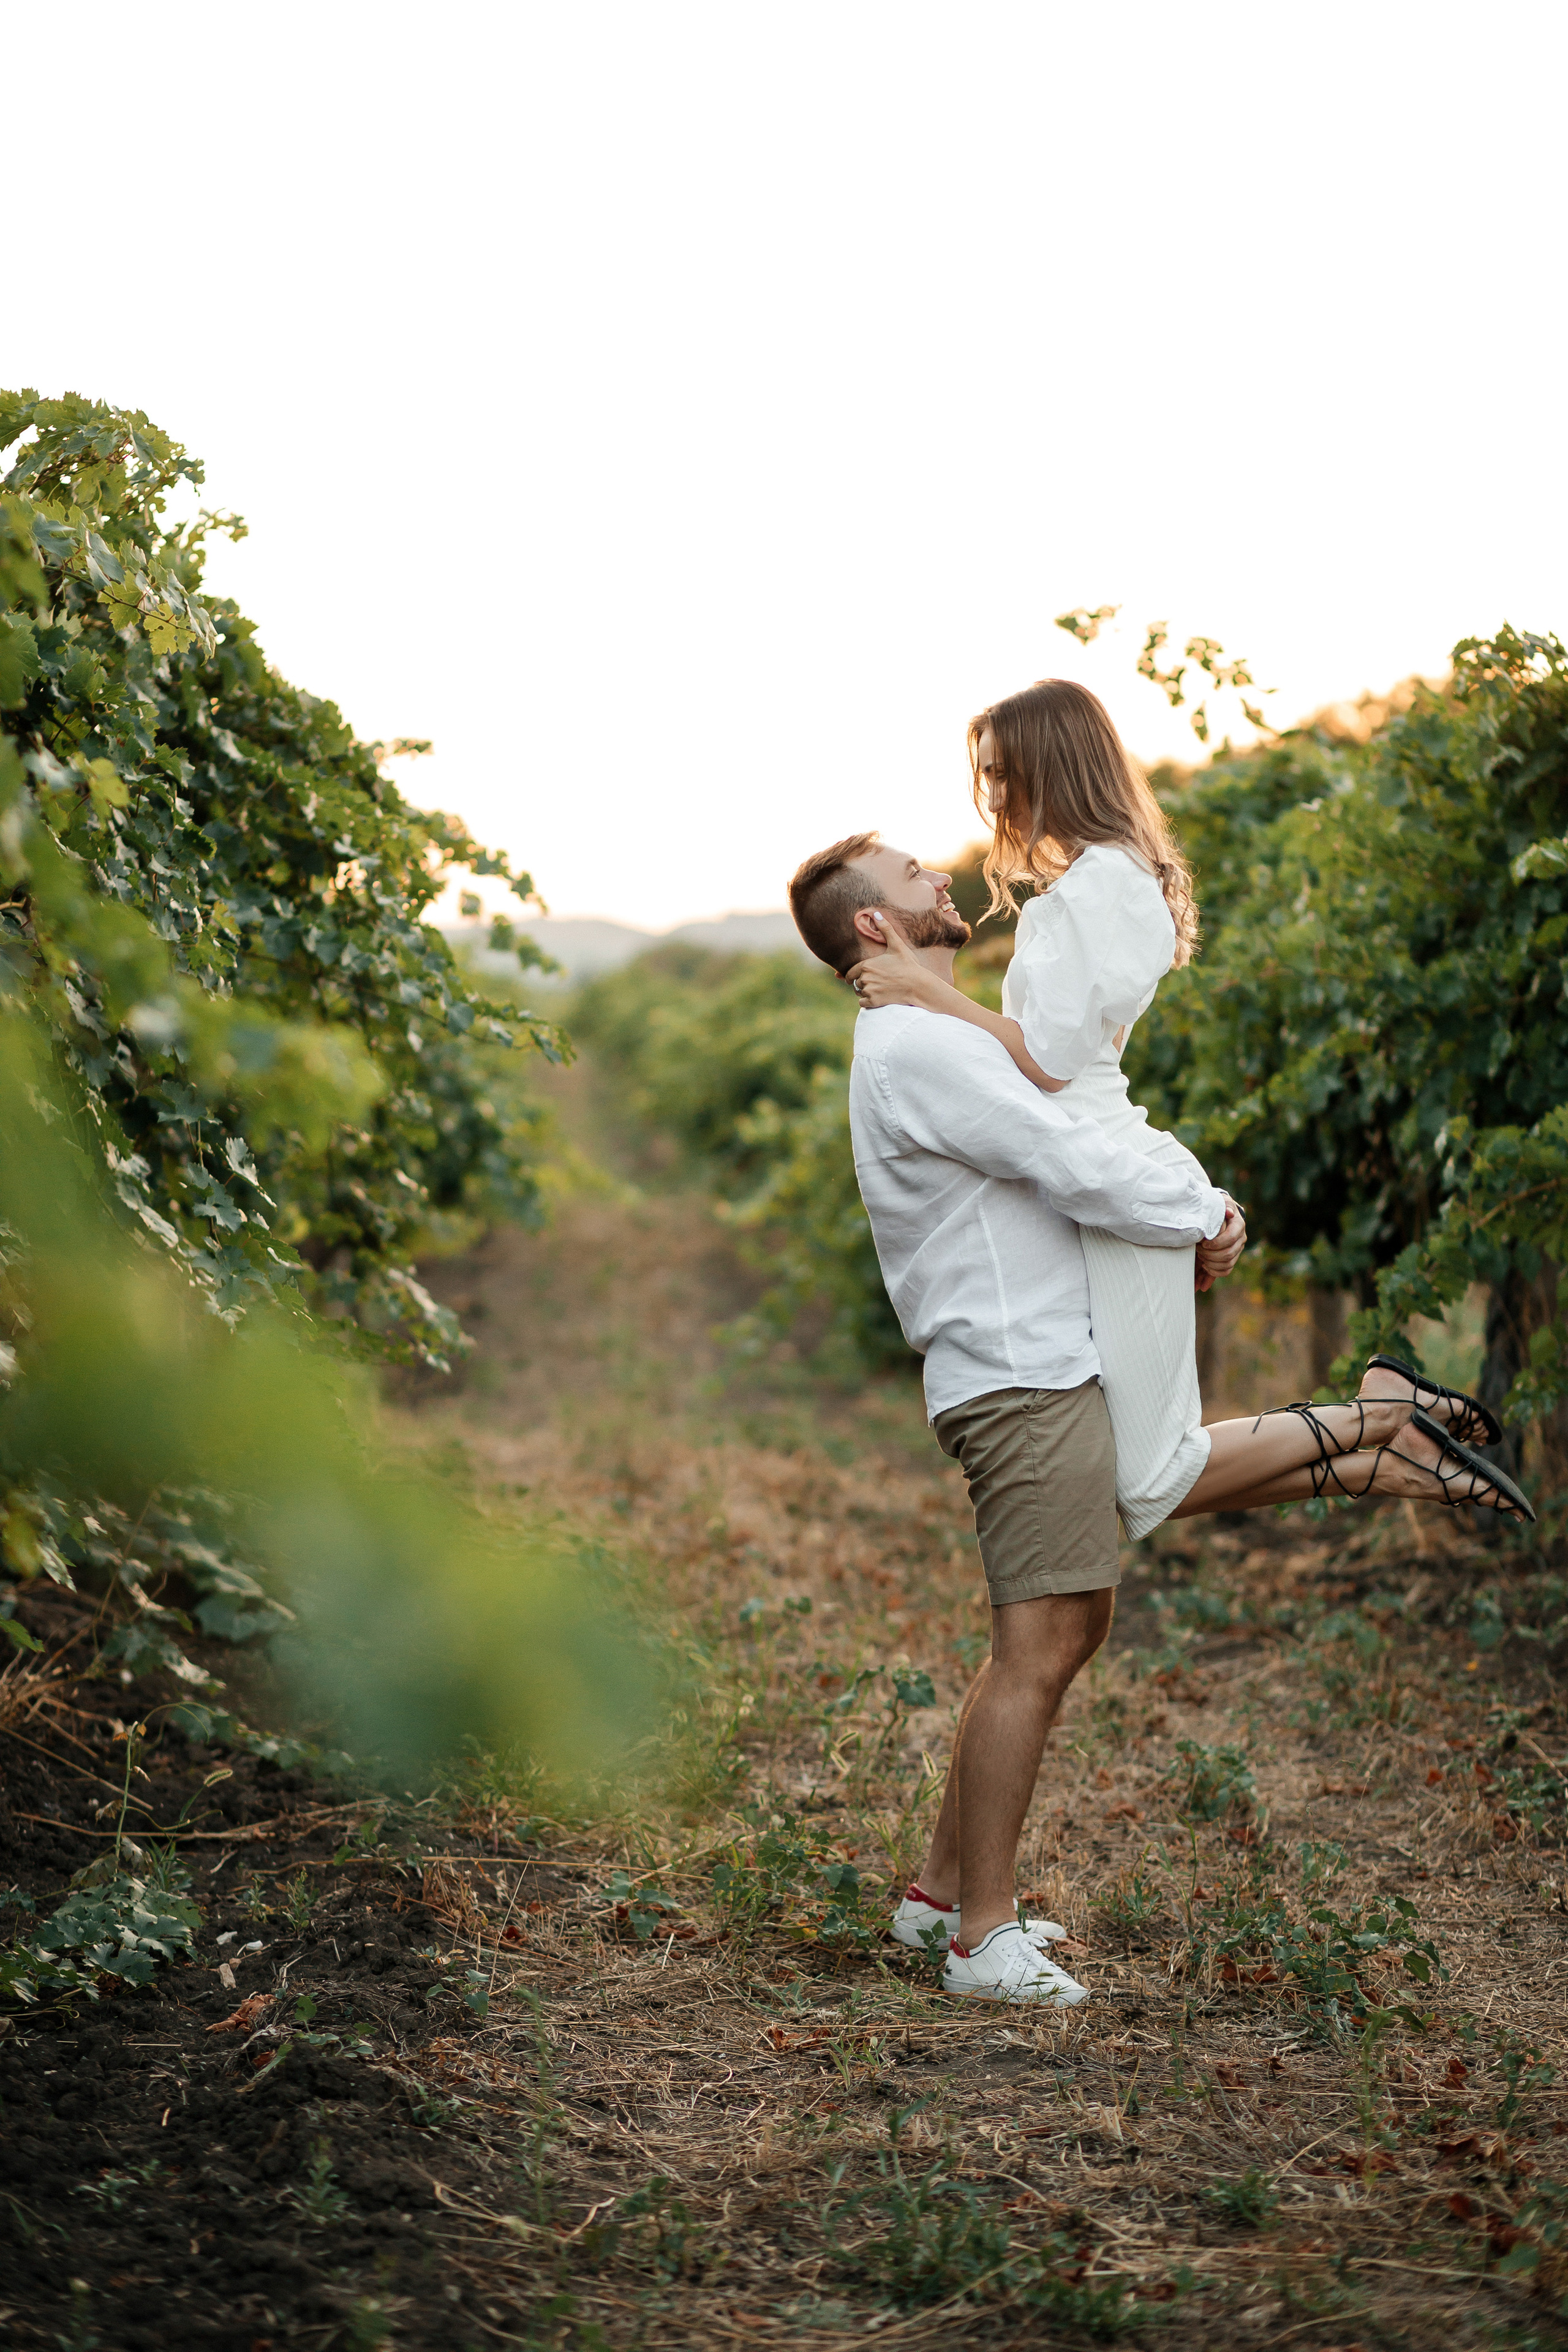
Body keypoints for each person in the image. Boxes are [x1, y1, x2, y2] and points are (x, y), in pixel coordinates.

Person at [786, 823, 1524, 2007]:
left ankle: (936, 1905)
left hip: (1038, 1360)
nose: (940, 877)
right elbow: (1066, 1154)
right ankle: (982, 1936)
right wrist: (1203, 1207)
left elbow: (1053, 1166)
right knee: (1043, 1644)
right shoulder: (919, 1047)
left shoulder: (929, 1037)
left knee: (1083, 1597)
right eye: (911, 878)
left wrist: (1165, 1238)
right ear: (874, 927)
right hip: (1017, 1376)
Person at [841, 682, 1532, 1533]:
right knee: (1147, 1478)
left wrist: (924, 990)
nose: (992, 798)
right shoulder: (1102, 883)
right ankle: (1377, 1454)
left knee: (1150, 1476)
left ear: (1048, 766)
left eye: (1000, 774)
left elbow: (1048, 1070)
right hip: (1111, 1169)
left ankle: (1379, 1419)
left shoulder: (1093, 891)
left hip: (1113, 1170)